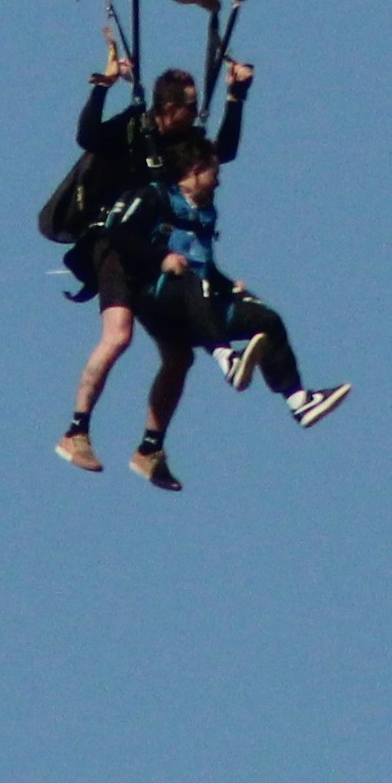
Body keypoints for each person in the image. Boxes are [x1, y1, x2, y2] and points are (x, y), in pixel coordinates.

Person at [55, 38, 239, 470]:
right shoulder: (135, 125)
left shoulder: (187, 142)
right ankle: (75, 432)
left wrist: (236, 94)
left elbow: (222, 152)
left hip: (158, 250)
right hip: (117, 242)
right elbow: (88, 137)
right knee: (118, 335)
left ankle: (150, 449)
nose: (195, 117)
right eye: (189, 109)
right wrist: (103, 86)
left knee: (179, 356)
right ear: (170, 109)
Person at [113, 151, 345, 493]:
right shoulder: (156, 196)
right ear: (194, 169)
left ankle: (298, 400)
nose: (219, 181)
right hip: (157, 297)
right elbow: (120, 237)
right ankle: (226, 357)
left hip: (196, 302)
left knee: (266, 318)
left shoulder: (206, 213)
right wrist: (162, 258)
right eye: (214, 173)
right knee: (192, 282)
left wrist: (227, 285)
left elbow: (205, 268)